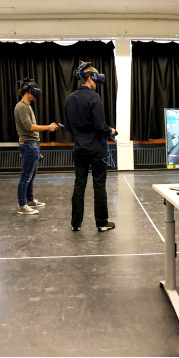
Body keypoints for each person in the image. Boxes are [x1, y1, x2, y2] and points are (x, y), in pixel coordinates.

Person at [64, 61, 116, 232]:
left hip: (79, 149)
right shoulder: (94, 97)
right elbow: (101, 126)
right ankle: (102, 223)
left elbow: (68, 126)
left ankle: (75, 223)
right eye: (95, 78)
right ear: (89, 78)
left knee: (79, 185)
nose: (96, 82)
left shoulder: (70, 99)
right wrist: (111, 131)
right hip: (96, 150)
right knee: (99, 185)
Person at [14, 78, 58, 215]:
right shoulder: (21, 107)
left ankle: (30, 200)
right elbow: (29, 127)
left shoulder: (27, 106)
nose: (35, 94)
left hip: (32, 144)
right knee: (26, 176)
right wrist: (48, 127)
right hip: (28, 145)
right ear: (27, 91)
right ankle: (22, 205)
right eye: (33, 91)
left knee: (31, 175)